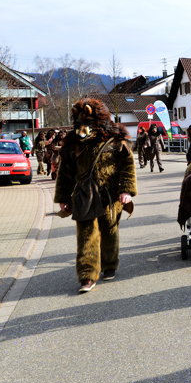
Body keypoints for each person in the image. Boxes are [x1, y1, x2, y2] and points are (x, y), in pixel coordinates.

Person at [55, 98, 137, 293]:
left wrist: (127, 190)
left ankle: (109, 265)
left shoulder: (116, 140)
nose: (83, 128)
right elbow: (65, 173)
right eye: (79, 122)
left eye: (87, 122)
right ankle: (87, 276)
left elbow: (128, 166)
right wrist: (64, 198)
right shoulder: (72, 143)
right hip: (84, 195)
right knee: (86, 236)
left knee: (109, 232)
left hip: (110, 195)